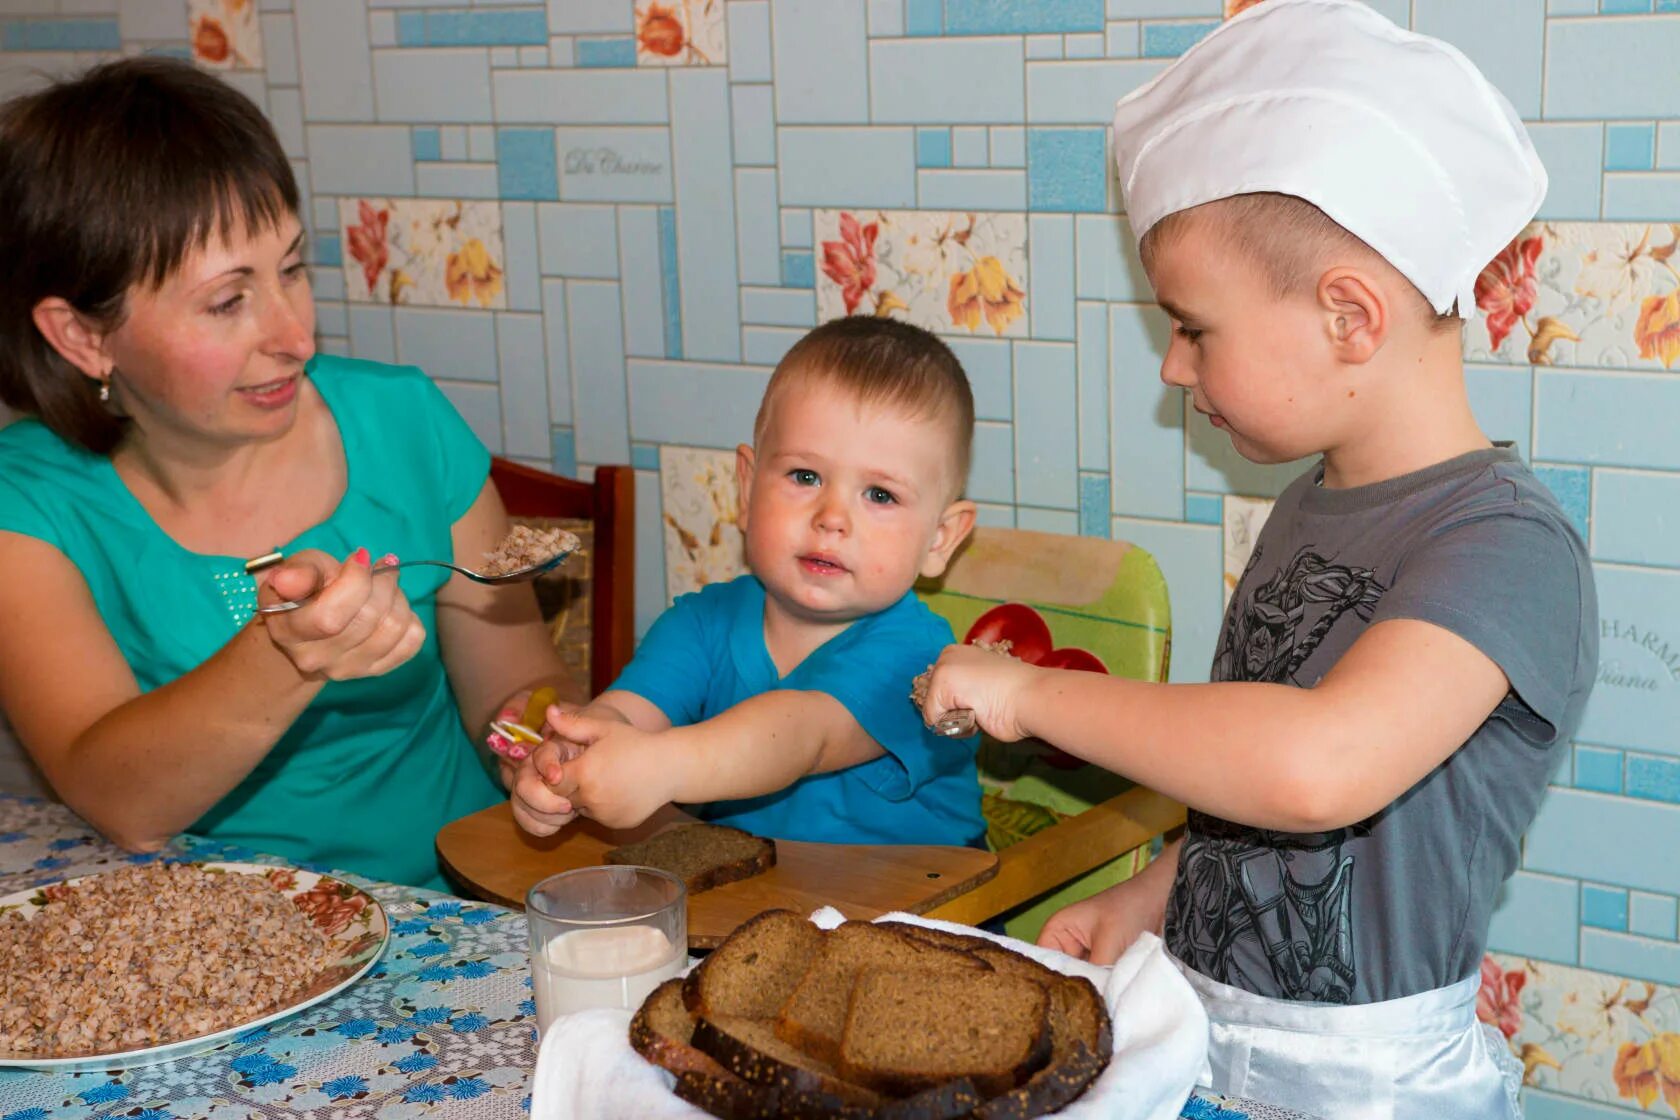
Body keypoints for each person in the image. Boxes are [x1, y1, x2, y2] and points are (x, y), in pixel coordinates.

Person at [917, 2, 1597, 1117]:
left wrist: (1032, 694)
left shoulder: (1508, 548)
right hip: (1197, 1045)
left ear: (1348, 317)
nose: (1175, 367)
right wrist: (1153, 892)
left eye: (1193, 326)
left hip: (1362, 1092)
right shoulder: (1303, 508)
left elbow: (1315, 769)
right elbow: (1256, 790)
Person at [0, 58, 573, 891]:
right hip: (212, 933)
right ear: (84, 337)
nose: (295, 335)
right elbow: (120, 799)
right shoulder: (30, 506)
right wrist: (288, 653)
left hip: (454, 905)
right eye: (228, 301)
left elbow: (517, 682)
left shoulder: (404, 422)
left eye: (293, 270)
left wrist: (533, 746)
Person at [508, 317, 984, 848]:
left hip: (923, 920)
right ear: (747, 487)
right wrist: (568, 760)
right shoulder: (699, 623)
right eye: (806, 477)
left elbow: (801, 734)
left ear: (941, 539)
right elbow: (625, 713)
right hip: (754, 909)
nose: (832, 517)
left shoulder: (924, 662)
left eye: (879, 495)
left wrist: (661, 766)